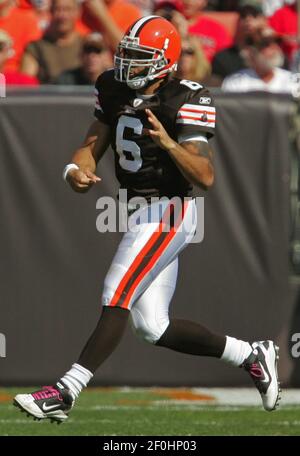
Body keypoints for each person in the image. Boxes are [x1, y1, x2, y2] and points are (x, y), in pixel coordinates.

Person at [14, 15, 281, 423]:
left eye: (140, 58)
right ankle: (251, 354)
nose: (128, 65)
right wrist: (75, 170)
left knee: (116, 289)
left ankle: (66, 391)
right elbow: (91, 143)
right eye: (127, 55)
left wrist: (170, 144)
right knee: (152, 327)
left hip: (171, 209)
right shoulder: (114, 86)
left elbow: (205, 176)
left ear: (165, 62)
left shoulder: (187, 97)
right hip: (137, 210)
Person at [21, 0, 84, 84]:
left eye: (67, 10)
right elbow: (25, 84)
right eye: (57, 9)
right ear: (50, 12)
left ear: (77, 12)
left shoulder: (86, 45)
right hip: (47, 96)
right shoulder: (36, 48)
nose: (62, 15)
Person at [222, 29, 296, 93]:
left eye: (277, 42)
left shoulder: (293, 81)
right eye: (266, 44)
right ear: (250, 52)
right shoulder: (236, 83)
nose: (274, 48)